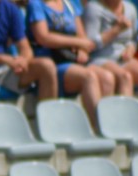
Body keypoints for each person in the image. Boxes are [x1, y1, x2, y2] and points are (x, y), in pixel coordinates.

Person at [26, 0, 114, 128]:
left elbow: (82, 37)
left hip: (73, 60)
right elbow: (43, 37)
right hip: (52, 63)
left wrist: (82, 50)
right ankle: (98, 128)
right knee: (88, 77)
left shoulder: (70, 3)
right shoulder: (36, 4)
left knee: (107, 77)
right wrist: (76, 43)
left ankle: (108, 126)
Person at [83, 0, 138, 120]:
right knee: (125, 77)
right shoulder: (93, 8)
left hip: (122, 58)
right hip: (100, 57)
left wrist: (131, 48)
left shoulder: (130, 9)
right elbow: (90, 45)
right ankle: (124, 123)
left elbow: (134, 39)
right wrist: (116, 30)